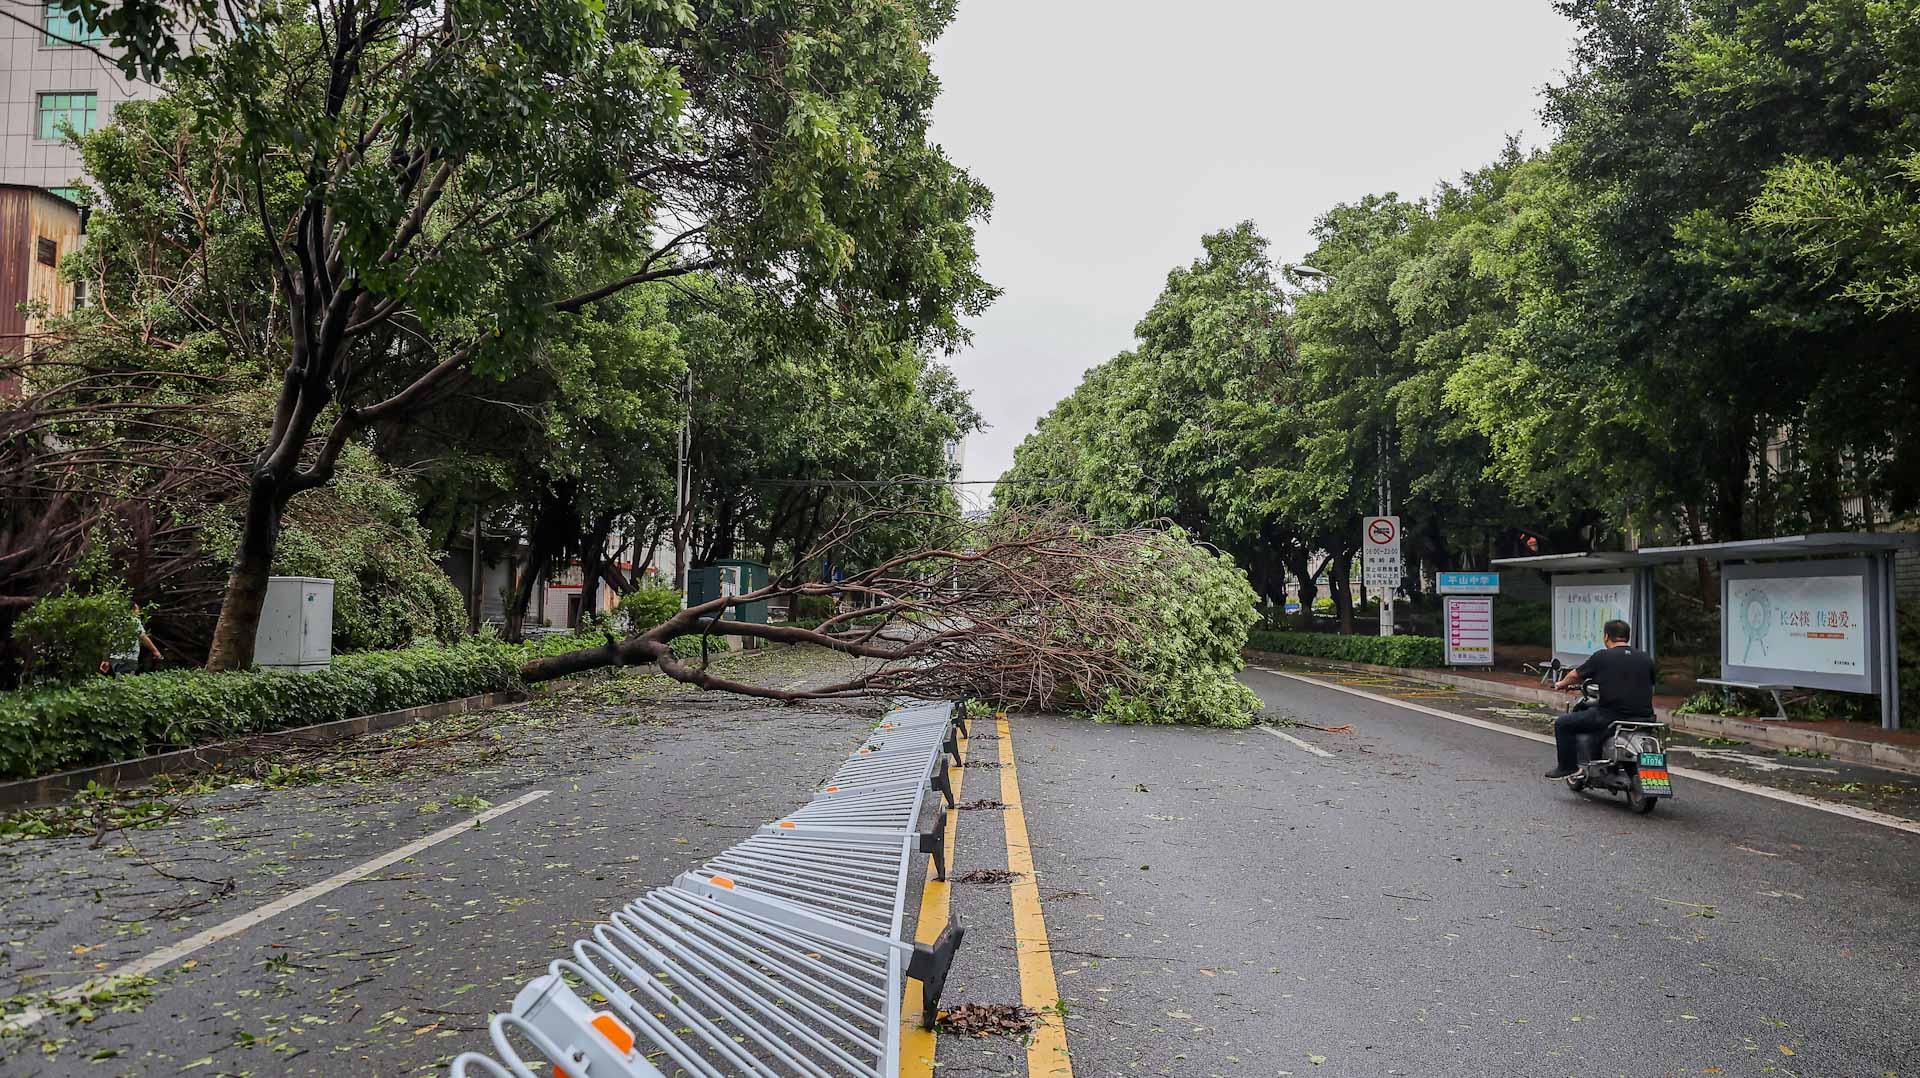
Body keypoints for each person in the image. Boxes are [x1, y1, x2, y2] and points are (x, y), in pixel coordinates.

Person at [1543, 618, 1655, 779]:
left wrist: (1560, 684)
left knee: (1563, 724)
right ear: (1627, 637)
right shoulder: (1645, 658)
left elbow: (1575, 675)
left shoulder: (1602, 656)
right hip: (1645, 717)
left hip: (1611, 716)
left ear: (1606, 636)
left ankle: (1567, 767)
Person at [99, 603, 163, 676]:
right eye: (137, 610)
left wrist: (105, 660)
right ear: (131, 610)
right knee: (125, 682)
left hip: (114, 659)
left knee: (122, 679)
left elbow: (108, 641)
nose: (138, 612)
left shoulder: (113, 622)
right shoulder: (133, 621)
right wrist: (155, 651)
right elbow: (142, 637)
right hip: (129, 658)